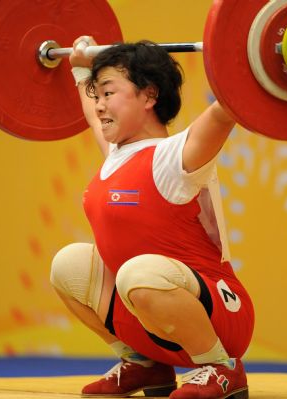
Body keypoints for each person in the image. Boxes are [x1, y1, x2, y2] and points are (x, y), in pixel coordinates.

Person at [50, 35, 254, 399]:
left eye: (108, 93)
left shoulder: (175, 157)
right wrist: (82, 71)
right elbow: (90, 111)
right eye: (97, 95)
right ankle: (143, 364)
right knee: (68, 265)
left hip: (219, 314)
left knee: (137, 272)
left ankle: (221, 367)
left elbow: (228, 109)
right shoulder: (116, 153)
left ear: (149, 95)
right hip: (151, 314)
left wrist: (251, 60)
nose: (99, 105)